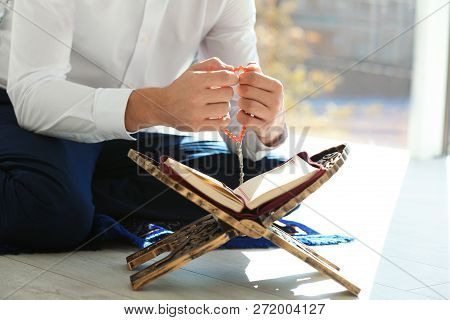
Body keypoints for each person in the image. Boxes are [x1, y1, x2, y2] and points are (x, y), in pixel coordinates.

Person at [0, 0, 288, 251]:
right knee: (52, 215)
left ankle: (71, 188)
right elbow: (33, 97)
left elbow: (244, 128)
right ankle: (62, 193)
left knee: (271, 188)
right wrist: (156, 105)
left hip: (132, 130)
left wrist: (268, 124)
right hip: (25, 111)